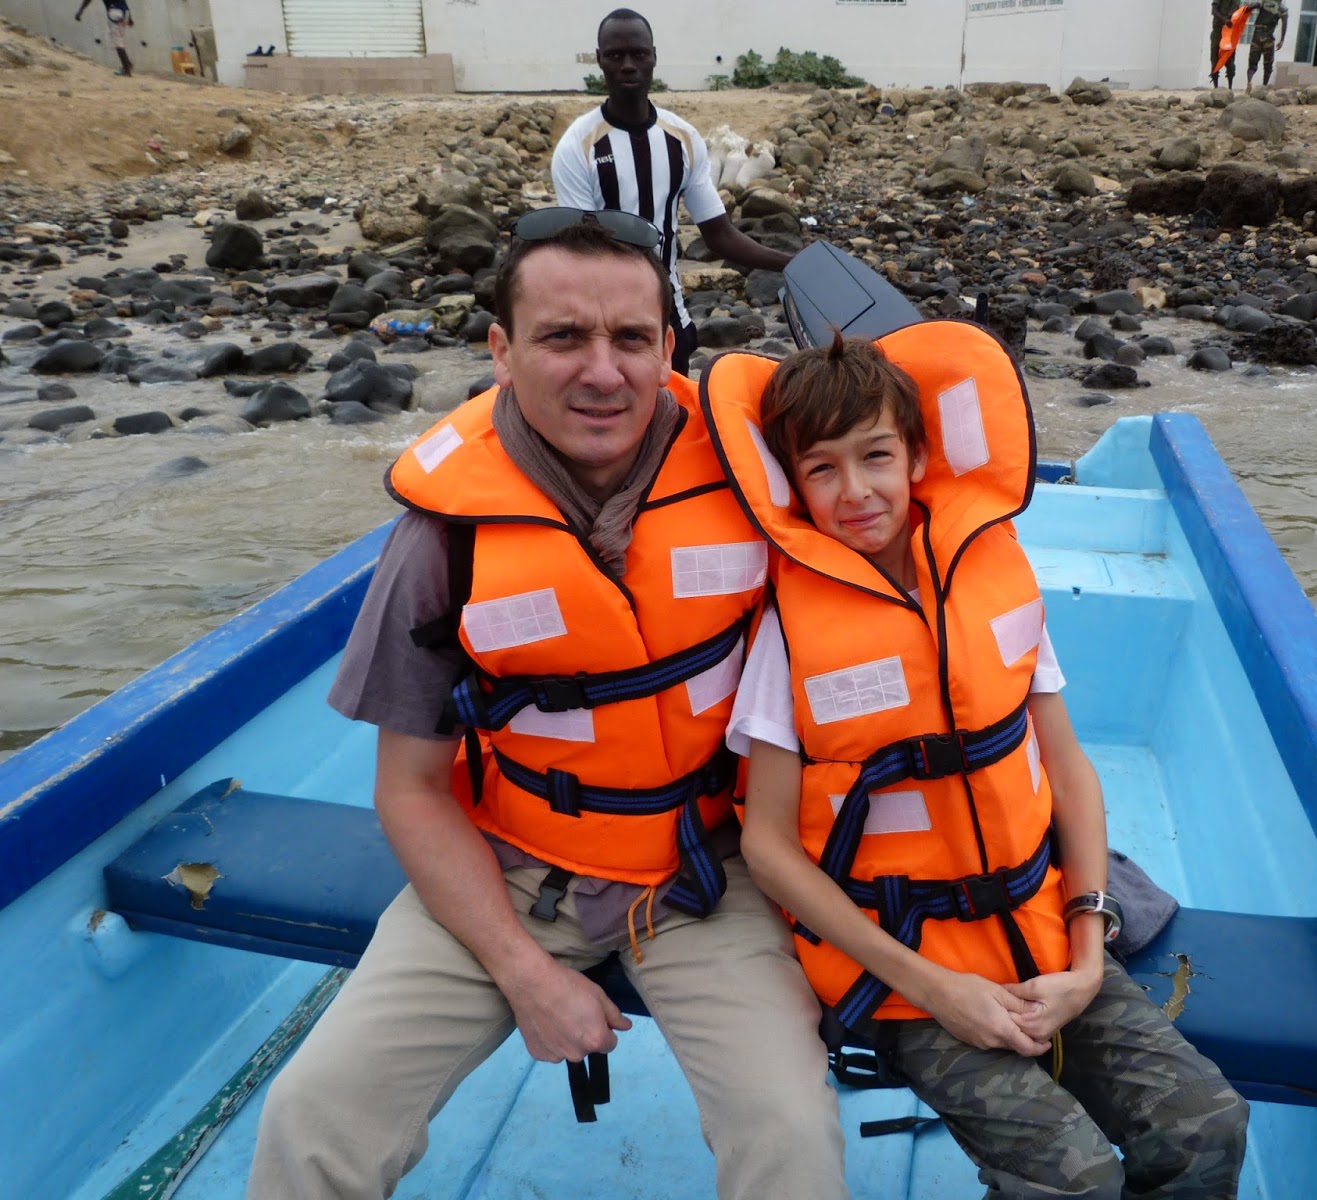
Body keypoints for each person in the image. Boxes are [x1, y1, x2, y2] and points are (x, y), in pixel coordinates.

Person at [246, 209, 846, 1200]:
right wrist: (525, 975)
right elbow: (410, 789)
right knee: (313, 1118)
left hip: (710, 869)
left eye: (631, 338)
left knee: (789, 1132)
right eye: (563, 337)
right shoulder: (442, 535)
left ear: (670, 346)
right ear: (502, 350)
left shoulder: (754, 473)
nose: (602, 373)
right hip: (512, 867)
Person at [701, 328, 1250, 1199]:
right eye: (822, 470)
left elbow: (1067, 769)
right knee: (1072, 1177)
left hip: (1045, 932)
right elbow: (767, 846)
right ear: (793, 487)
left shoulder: (993, 576)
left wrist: (1086, 958)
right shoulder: (787, 634)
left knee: (1206, 1124)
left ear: (918, 457)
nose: (856, 491)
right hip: (906, 973)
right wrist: (938, 990)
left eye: (876, 456)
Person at [552, 9, 795, 376]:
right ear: (600, 60)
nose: (628, 65)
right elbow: (583, 251)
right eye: (616, 55)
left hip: (670, 321)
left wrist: (792, 264)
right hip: (608, 328)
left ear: (653, 57)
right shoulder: (577, 146)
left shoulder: (682, 138)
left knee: (678, 411)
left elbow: (719, 234)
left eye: (638, 54)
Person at [74, 0, 133, 76]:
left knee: (118, 43)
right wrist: (129, 18)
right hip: (125, 13)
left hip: (116, 13)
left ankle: (126, 69)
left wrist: (80, 11)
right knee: (119, 40)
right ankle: (127, 64)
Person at [1245, 0, 1288, 92]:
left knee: (1252, 64)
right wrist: (1282, 40)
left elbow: (1249, 7)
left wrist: (1248, 11)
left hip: (1257, 36)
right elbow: (1284, 24)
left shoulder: (1263, 2)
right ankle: (1264, 87)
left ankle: (1249, 81)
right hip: (1268, 38)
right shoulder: (1282, 8)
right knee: (1268, 66)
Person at [1209, 0, 1238, 88]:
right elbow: (1214, 10)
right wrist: (1224, 20)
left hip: (1230, 32)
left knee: (1230, 60)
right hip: (1218, 30)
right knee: (1215, 58)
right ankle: (1216, 87)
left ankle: (1230, 87)